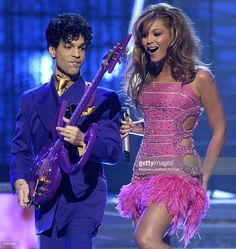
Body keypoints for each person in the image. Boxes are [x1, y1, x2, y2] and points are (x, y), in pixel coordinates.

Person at [117, 3, 227, 249]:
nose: (148, 40)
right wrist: (134, 127)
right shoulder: (146, 78)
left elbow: (220, 130)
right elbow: (161, 122)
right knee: (152, 242)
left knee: (146, 239)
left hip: (177, 174)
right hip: (142, 173)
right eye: (144, 35)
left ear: (174, 36)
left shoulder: (199, 77)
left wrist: (205, 178)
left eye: (156, 33)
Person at [10, 12, 122, 249]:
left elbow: (112, 152)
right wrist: (20, 182)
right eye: (69, 46)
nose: (76, 55)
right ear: (52, 49)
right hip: (47, 199)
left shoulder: (103, 98)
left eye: (81, 48)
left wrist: (84, 140)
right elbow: (21, 151)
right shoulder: (30, 100)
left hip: (84, 197)